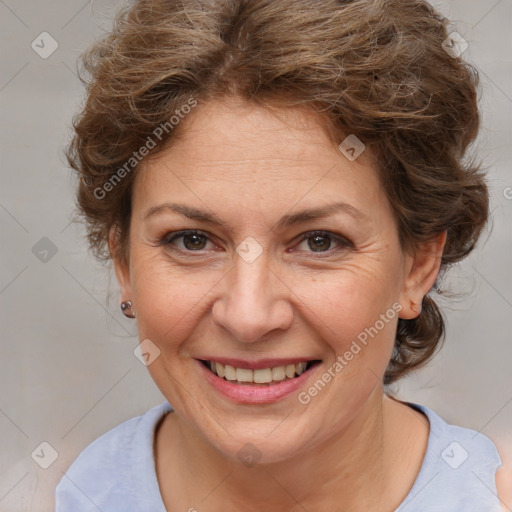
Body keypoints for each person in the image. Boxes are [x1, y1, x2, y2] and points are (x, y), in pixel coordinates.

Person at [55, 0, 508, 510]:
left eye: (320, 241)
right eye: (192, 240)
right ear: (123, 263)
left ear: (418, 265)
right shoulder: (66, 495)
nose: (249, 317)